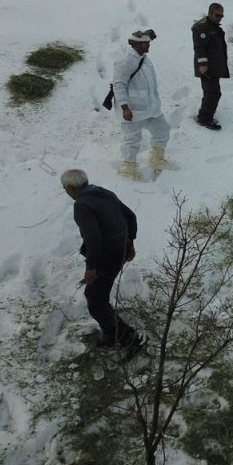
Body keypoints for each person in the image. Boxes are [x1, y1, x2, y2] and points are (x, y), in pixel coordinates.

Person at [60, 169, 143, 351]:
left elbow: (93, 238)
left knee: (95, 301)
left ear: (72, 188)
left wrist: (91, 267)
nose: (65, 192)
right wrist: (130, 244)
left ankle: (123, 337)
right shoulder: (105, 193)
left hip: (106, 257)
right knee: (97, 296)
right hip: (120, 251)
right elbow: (131, 217)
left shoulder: (82, 205)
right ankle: (114, 333)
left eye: (65, 188)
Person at [112, 29, 173, 180]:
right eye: (146, 43)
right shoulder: (125, 61)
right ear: (137, 44)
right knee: (132, 139)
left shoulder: (145, 59)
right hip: (133, 109)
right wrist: (125, 107)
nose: (148, 45)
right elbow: (118, 85)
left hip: (151, 108)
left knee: (162, 130)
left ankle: (156, 158)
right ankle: (129, 168)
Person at [192, 2, 229, 130]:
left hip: (214, 66)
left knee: (211, 92)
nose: (219, 18)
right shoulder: (203, 28)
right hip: (207, 68)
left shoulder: (212, 26)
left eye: (221, 16)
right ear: (210, 13)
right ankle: (204, 119)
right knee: (213, 93)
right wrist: (202, 64)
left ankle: (205, 114)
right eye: (217, 15)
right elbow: (199, 47)